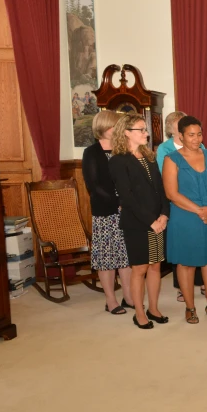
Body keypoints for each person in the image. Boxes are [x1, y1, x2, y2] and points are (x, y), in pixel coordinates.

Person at [163, 116, 207, 324]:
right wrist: (200, 211)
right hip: (185, 217)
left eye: (199, 134)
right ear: (181, 136)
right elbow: (171, 194)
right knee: (187, 264)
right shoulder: (171, 159)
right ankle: (190, 308)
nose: (196, 138)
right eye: (191, 135)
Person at [108, 113, 170, 330]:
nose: (146, 133)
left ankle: (153, 308)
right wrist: (150, 221)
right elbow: (127, 197)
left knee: (155, 266)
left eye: (145, 129)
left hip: (157, 220)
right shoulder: (118, 161)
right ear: (126, 133)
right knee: (140, 268)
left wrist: (164, 214)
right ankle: (140, 313)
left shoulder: (149, 157)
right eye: (141, 130)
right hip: (137, 223)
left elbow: (161, 189)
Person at [81, 110, 133, 315]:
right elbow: (94, 185)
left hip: (127, 211)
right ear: (104, 127)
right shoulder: (91, 152)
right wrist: (118, 202)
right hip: (105, 212)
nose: (119, 129)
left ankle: (128, 297)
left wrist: (128, 202)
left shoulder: (123, 149)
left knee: (126, 257)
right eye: (116, 126)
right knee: (107, 258)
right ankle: (110, 300)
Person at [156, 110, 204, 302]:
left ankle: (200, 281)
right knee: (182, 245)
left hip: (199, 200)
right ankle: (181, 287)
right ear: (173, 129)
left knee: (200, 242)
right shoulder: (165, 149)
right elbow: (164, 175)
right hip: (177, 201)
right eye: (179, 123)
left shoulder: (200, 145)